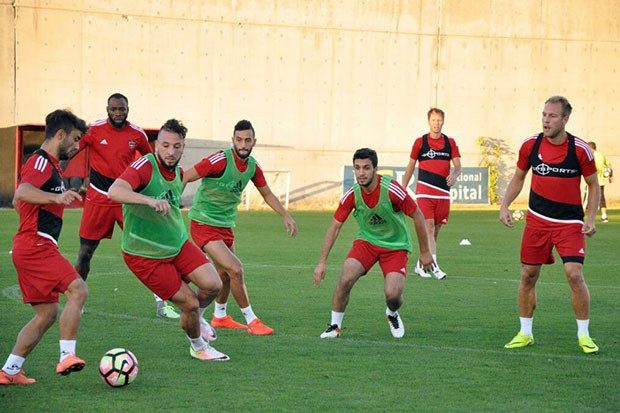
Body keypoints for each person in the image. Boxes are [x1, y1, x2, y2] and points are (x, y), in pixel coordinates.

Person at [108, 119, 228, 361]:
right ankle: (198, 346)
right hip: (145, 255)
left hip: (178, 244)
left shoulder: (179, 173)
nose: (171, 152)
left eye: (176, 146)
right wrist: (149, 201)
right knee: (190, 303)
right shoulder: (144, 166)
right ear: (156, 146)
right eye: (165, 145)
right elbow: (114, 191)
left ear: (183, 147)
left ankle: (197, 318)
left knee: (214, 285)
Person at [499, 95, 600, 354]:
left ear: (565, 119)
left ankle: (584, 336)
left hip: (569, 224)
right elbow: (519, 177)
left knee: (574, 274)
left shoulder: (580, 150)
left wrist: (590, 218)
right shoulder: (530, 145)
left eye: (552, 116)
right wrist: (504, 205)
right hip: (537, 221)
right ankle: (525, 333)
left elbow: (593, 184)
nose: (546, 120)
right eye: (544, 115)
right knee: (528, 275)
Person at [183, 119, 298, 336]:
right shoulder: (219, 160)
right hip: (203, 223)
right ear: (233, 140)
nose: (243, 144)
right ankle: (252, 321)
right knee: (235, 268)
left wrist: (286, 215)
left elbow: (266, 193)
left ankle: (219, 316)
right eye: (239, 140)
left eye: (247, 140)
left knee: (225, 274)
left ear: (254, 141)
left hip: (225, 225)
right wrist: (172, 204)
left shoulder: (253, 166)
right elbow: (186, 176)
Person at [1, 110, 89, 385]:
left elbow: (19, 203)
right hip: (36, 245)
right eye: (75, 139)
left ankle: (9, 371)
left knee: (47, 313)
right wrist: (56, 198)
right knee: (78, 290)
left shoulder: (50, 166)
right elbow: (21, 193)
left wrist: (48, 203)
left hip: (32, 244)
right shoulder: (41, 161)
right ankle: (67, 356)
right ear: (60, 134)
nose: (77, 146)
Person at [74, 93, 179, 318]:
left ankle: (163, 303)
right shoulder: (94, 130)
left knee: (149, 247)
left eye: (122, 109)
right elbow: (72, 149)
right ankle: (77, 301)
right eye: (114, 109)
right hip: (98, 198)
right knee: (85, 251)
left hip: (126, 200)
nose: (118, 113)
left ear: (128, 109)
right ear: (107, 110)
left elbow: (154, 162)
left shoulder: (137, 134)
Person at [313, 148, 433, 339]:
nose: (361, 173)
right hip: (367, 243)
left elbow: (418, 215)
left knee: (393, 295)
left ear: (375, 169)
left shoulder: (392, 189)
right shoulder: (352, 194)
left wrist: (425, 252)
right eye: (357, 168)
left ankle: (392, 313)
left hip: (395, 246)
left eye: (366, 168)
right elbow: (335, 227)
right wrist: (321, 262)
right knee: (345, 279)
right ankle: (335, 327)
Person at [402, 108, 461, 280]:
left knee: (435, 231)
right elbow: (411, 166)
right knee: (428, 226)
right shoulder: (420, 142)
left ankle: (420, 265)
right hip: (424, 192)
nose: (436, 123)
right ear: (428, 122)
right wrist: (402, 189)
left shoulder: (450, 142)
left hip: (442, 193)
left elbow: (458, 166)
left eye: (439, 120)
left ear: (443, 121)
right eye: (434, 120)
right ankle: (434, 267)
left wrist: (454, 175)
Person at [587, 141, 613, 223]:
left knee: (587, 200)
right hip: (601, 182)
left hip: (592, 182)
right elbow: (609, 165)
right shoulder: (601, 155)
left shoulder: (590, 155)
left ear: (590, 147)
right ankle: (604, 216)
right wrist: (610, 175)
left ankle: (581, 218)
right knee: (601, 199)